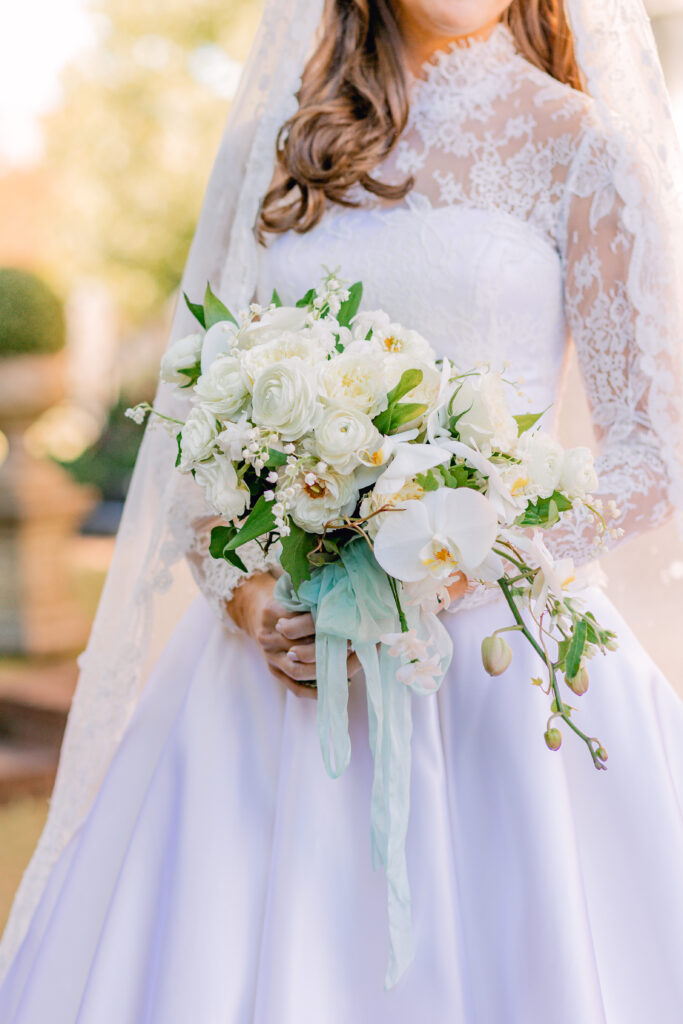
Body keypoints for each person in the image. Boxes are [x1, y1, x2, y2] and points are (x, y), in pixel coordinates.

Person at [1, 0, 683, 1020]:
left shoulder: (580, 145)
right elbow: (192, 430)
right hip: (270, 675)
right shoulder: (273, 152)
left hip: (493, 672)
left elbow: (650, 452)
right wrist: (245, 593)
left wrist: (460, 558)